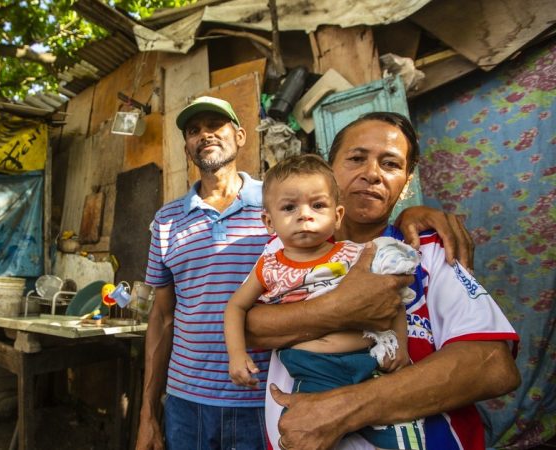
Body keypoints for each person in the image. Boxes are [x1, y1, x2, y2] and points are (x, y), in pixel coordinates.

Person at [135, 96, 475, 450]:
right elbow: (161, 317)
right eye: (194, 130)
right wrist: (147, 412)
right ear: (187, 144)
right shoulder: (167, 220)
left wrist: (409, 213)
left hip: (267, 393)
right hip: (186, 398)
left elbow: (356, 227)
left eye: (215, 126)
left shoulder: (287, 197)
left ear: (239, 136)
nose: (204, 135)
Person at [244, 112, 521, 450]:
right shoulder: (287, 246)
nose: (372, 174)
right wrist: (342, 308)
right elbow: (250, 326)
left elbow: (493, 366)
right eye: (357, 158)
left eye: (390, 164)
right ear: (330, 168)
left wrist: (345, 408)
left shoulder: (429, 250)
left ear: (406, 181)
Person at [224, 153, 423, 449]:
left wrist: (400, 345)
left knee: (403, 438)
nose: (305, 215)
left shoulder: (357, 255)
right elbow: (236, 307)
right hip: (314, 369)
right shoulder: (268, 266)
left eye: (317, 205)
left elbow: (392, 300)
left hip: (369, 365)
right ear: (269, 221)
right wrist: (237, 355)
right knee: (307, 435)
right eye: (290, 207)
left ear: (337, 215)